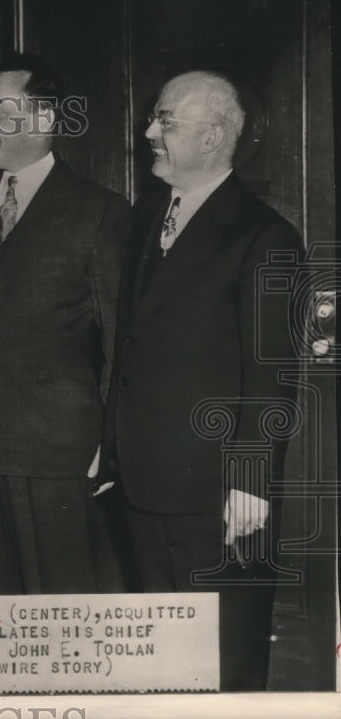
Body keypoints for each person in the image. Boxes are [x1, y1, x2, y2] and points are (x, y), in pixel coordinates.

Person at [103, 70, 303, 690]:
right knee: (165, 666)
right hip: (142, 483)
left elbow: (272, 376)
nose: (148, 133)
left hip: (217, 498)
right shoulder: (147, 219)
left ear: (214, 137)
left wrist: (250, 486)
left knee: (225, 661)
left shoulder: (264, 237)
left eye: (165, 121)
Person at [0, 53, 130, 595]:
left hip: (57, 454)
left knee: (57, 607)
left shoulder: (99, 212)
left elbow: (121, 341)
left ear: (44, 120)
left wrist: (109, 444)